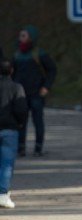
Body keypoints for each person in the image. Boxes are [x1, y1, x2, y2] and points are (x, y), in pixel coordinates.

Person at [12, 25, 56, 157]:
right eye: (20, 36)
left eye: (23, 36)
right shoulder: (17, 55)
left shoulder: (39, 54)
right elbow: (12, 74)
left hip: (36, 93)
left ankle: (38, 147)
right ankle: (21, 148)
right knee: (20, 122)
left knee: (38, 121)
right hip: (20, 94)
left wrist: (46, 87)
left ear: (31, 37)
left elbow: (52, 70)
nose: (20, 38)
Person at [0, 59, 28, 208]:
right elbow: (22, 109)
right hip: (10, 129)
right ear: (11, 71)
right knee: (6, 164)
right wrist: (20, 123)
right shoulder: (17, 88)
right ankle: (3, 194)